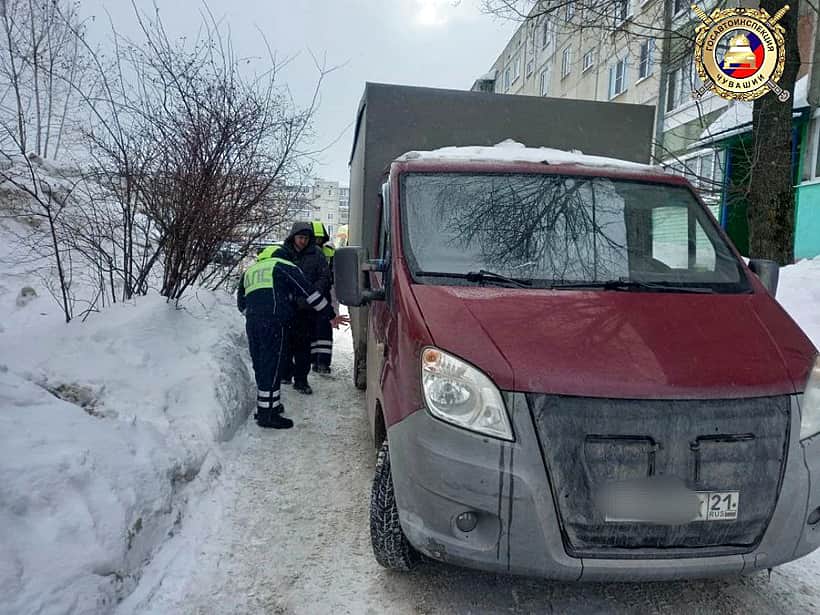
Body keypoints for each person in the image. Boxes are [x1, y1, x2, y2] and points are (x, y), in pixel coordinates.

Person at [237, 245, 347, 429]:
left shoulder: (251, 270)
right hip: (274, 322)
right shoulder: (283, 266)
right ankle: (267, 416)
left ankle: (268, 407)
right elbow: (309, 293)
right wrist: (330, 315)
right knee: (273, 365)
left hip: (253, 323)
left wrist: (257, 314)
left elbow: (241, 303)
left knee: (261, 364)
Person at [278, 222, 331, 395]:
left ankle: (301, 380)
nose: (303, 241)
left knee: (303, 347)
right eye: (300, 237)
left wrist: (310, 296)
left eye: (306, 238)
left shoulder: (317, 254)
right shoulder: (284, 253)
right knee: (285, 343)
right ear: (293, 237)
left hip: (308, 308)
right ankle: (285, 374)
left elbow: (324, 277)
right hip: (287, 306)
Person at [311, 221, 336, 374]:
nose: (317, 241)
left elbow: (335, 274)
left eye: (320, 238)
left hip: (325, 292)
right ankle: (313, 360)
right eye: (315, 238)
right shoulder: (303, 253)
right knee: (309, 329)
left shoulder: (330, 251)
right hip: (307, 294)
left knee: (324, 329)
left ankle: (323, 363)